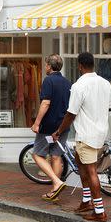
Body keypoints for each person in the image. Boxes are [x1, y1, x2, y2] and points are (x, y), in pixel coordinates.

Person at [53, 52, 111, 222]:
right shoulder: (105, 84)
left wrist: (59, 131)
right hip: (100, 132)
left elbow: (71, 113)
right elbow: (108, 108)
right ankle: (87, 201)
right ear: (93, 64)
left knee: (91, 170)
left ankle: (99, 211)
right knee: (79, 160)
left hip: (86, 133)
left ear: (80, 66)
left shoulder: (79, 86)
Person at [30, 54, 71, 201]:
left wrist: (37, 123)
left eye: (46, 64)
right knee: (56, 156)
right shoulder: (67, 82)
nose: (45, 66)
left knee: (37, 154)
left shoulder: (48, 81)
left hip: (48, 126)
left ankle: (56, 181)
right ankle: (55, 190)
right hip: (63, 125)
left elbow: (45, 103)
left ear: (49, 66)